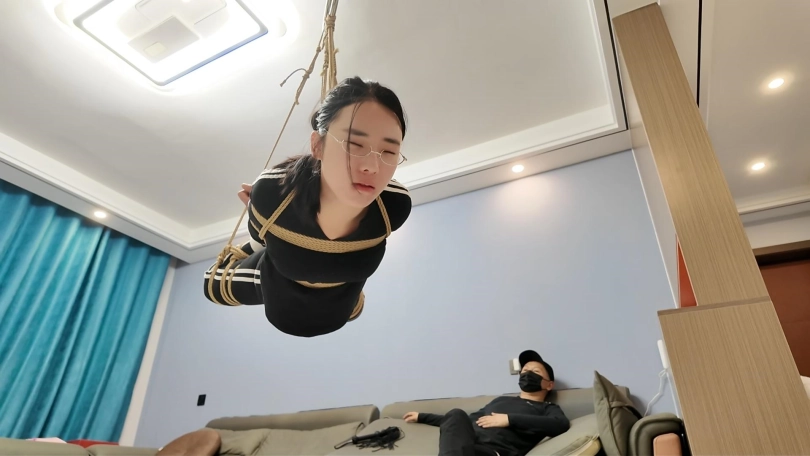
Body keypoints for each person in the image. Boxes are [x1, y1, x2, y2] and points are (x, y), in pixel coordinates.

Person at [203, 76, 411, 338]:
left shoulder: (394, 206)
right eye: (354, 145)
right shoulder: (273, 194)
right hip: (276, 291)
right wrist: (264, 216)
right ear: (317, 145)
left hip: (344, 308)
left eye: (389, 152)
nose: (372, 166)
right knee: (212, 285)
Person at [403, 350, 569, 456]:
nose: (527, 373)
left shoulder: (547, 408)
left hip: (491, 452)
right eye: (524, 370)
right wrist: (422, 416)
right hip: (466, 446)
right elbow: (463, 422)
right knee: (456, 414)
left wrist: (509, 419)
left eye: (535, 371)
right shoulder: (501, 400)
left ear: (549, 385)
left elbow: (560, 425)